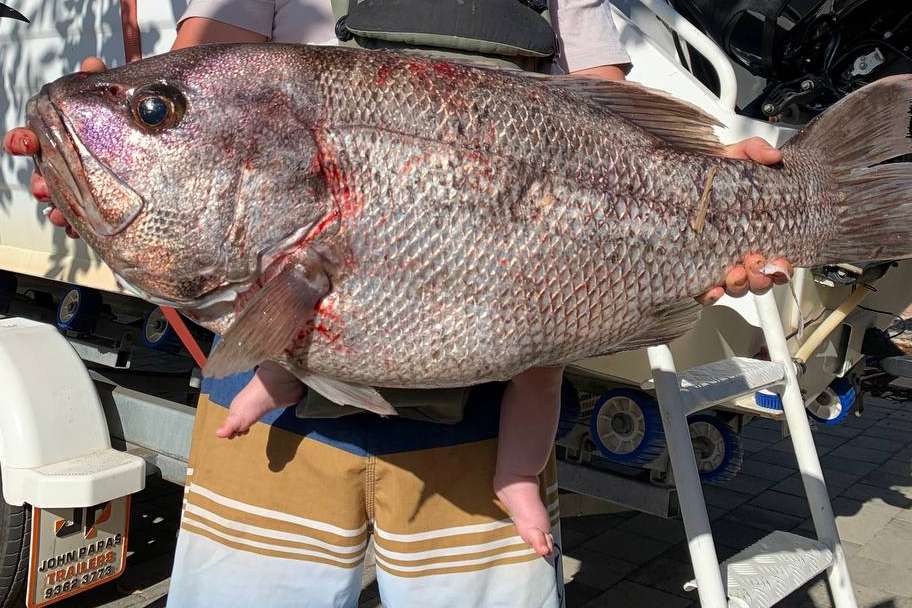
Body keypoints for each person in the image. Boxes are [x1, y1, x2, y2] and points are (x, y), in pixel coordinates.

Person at [4, 1, 792, 605]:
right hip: (277, 436)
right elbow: (199, 81)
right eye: (152, 114)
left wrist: (710, 200)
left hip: (476, 426)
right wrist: (109, 150)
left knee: (541, 363)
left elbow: (596, 125)